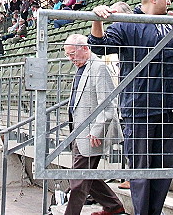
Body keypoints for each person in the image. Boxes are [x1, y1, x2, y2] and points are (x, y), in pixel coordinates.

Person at [88, 0, 173, 215]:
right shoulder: (127, 25)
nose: (170, 1)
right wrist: (96, 19)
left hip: (169, 108)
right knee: (140, 168)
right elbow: (99, 46)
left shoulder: (171, 24)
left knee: (166, 167)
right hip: (139, 109)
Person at [63, 34, 125, 215]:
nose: (70, 58)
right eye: (68, 55)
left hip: (91, 135)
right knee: (85, 175)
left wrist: (98, 130)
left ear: (84, 48)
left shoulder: (98, 68)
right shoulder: (82, 67)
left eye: (72, 54)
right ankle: (114, 206)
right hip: (79, 132)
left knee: (79, 181)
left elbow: (108, 104)